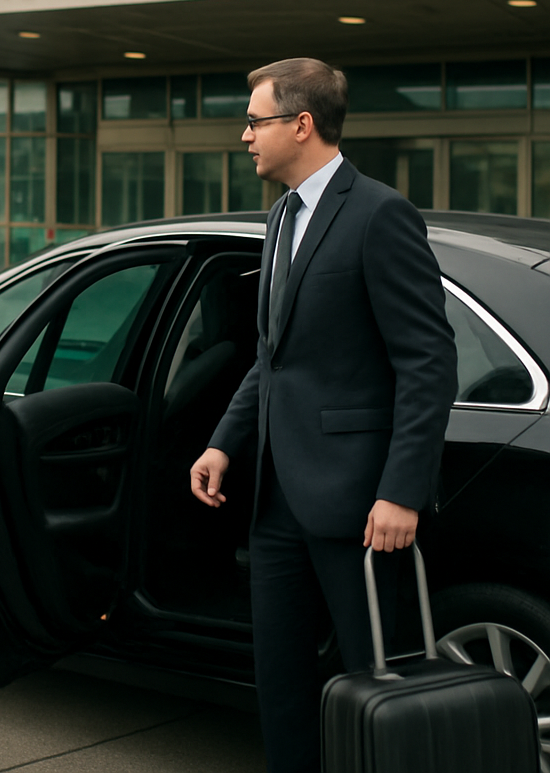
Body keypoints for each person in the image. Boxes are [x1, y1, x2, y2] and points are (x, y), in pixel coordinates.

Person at [189, 58, 457, 773]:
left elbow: (428, 362)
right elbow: (272, 356)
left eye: (255, 120)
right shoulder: (280, 217)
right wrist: (224, 443)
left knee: (383, 686)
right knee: (281, 685)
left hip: (358, 504)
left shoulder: (379, 214)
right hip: (275, 501)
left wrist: (401, 490)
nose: (244, 135)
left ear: (301, 124)